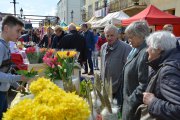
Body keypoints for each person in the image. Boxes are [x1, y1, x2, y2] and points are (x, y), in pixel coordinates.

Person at [142, 31, 180, 120]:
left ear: (158, 49)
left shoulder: (168, 71)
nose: (147, 50)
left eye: (149, 46)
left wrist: (152, 102)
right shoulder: (174, 61)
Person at [0, 15, 29, 119]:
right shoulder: (1, 46)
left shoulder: (5, 45)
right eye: (18, 31)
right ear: (7, 29)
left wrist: (16, 85)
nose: (20, 35)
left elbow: (5, 71)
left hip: (3, 92)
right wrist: (19, 78)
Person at [122, 21, 150, 120]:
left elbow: (144, 84)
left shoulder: (145, 53)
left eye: (131, 37)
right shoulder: (137, 49)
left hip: (134, 108)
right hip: (129, 105)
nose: (129, 40)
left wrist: (131, 101)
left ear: (141, 35)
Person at [101, 24, 131, 106]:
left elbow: (128, 69)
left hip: (118, 88)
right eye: (107, 35)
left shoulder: (126, 48)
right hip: (106, 86)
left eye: (112, 35)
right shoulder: (103, 47)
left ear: (117, 35)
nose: (109, 38)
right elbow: (102, 66)